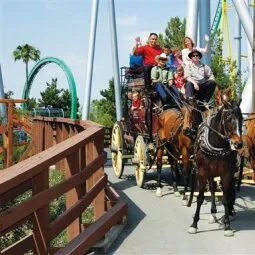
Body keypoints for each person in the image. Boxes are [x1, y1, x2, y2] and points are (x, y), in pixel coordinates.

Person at [182, 49, 216, 135]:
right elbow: (187, 77)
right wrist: (195, 83)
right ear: (191, 57)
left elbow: (211, 75)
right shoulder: (188, 66)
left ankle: (205, 101)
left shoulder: (204, 66)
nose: (195, 57)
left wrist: (212, 80)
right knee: (189, 83)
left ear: (199, 57)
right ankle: (189, 101)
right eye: (193, 56)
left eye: (197, 55)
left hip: (202, 86)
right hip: (193, 86)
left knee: (212, 83)